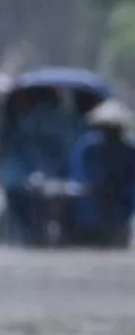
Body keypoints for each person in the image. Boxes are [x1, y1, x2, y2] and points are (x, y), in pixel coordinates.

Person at [68, 98, 135, 245]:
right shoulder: (88, 147)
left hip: (119, 200)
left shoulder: (129, 149)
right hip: (92, 200)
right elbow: (78, 172)